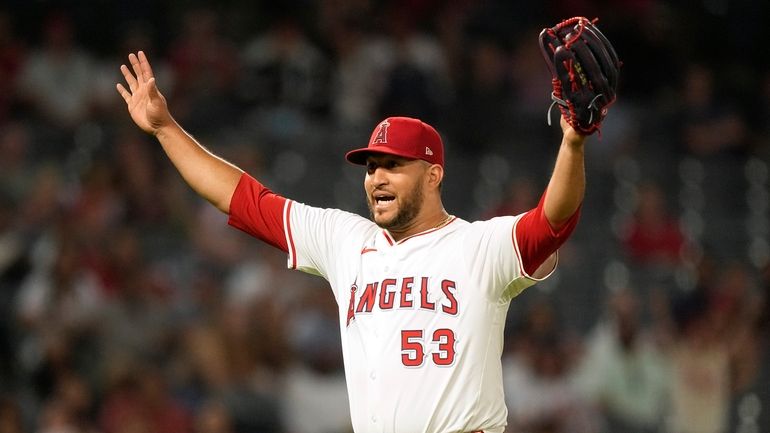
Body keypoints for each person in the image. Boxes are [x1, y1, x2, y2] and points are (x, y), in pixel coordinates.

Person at [117, 50, 587, 433]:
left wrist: (571, 142)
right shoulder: (346, 240)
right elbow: (241, 200)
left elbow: (553, 221)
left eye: (393, 165)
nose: (376, 177)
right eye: (370, 166)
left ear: (433, 175)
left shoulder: (479, 246)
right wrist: (166, 129)